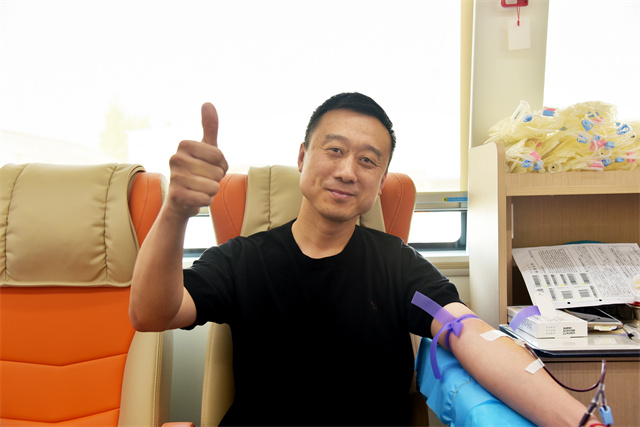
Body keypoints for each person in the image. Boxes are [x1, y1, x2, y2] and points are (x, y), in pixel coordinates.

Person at [130, 93, 598, 426]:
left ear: (381, 180)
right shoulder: (243, 260)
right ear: (302, 157)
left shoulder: (398, 266)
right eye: (334, 150)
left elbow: (468, 333)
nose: (347, 171)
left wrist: (581, 422)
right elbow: (151, 314)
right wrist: (176, 210)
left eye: (368, 161)